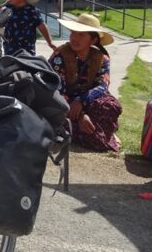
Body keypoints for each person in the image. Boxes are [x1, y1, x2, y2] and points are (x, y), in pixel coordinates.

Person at [49, 13, 122, 152]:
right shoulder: (59, 56)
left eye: (81, 35)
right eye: (73, 33)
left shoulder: (101, 58)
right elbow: (58, 89)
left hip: (86, 99)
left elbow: (102, 85)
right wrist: (80, 115)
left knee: (112, 106)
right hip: (63, 101)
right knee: (58, 114)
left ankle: (94, 131)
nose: (74, 38)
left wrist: (81, 100)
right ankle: (100, 134)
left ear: (93, 40)